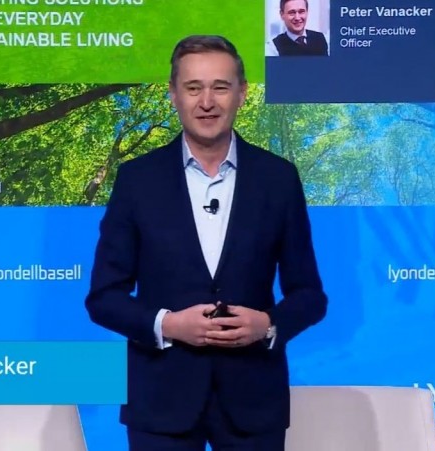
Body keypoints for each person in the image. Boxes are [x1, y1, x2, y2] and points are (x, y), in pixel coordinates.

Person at [85, 34, 328, 451]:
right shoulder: (137, 180)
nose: (207, 102)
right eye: (194, 87)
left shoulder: (278, 179)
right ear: (173, 94)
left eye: (220, 87)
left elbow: (309, 295)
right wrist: (168, 325)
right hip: (161, 401)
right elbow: (104, 297)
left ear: (242, 93)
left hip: (254, 401)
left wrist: (268, 325)